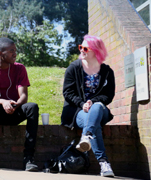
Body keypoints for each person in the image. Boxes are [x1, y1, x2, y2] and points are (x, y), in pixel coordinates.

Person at [0, 37, 39, 171]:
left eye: (15, 50)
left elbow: (23, 96)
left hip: (14, 110)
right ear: (0, 53)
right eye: (11, 51)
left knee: (32, 107)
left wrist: (15, 105)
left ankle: (28, 158)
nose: (15, 54)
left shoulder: (20, 68)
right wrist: (4, 102)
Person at [61, 35, 115, 177]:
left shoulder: (107, 72)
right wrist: (82, 104)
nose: (82, 51)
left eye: (85, 48)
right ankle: (104, 163)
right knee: (91, 123)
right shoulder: (74, 68)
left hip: (99, 110)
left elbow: (108, 96)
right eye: (81, 47)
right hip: (78, 111)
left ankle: (86, 136)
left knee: (97, 107)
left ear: (96, 51)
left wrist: (93, 101)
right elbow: (67, 92)